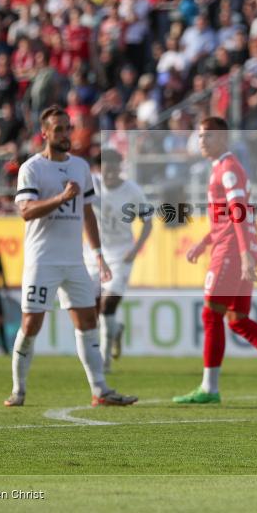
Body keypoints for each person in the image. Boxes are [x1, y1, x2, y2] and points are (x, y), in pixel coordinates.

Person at [5, 105, 136, 408]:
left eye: (68, 128)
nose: (66, 134)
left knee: (88, 321)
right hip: (43, 260)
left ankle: (100, 390)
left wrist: (98, 253)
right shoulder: (32, 168)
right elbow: (26, 211)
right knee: (31, 324)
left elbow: (87, 212)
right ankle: (18, 390)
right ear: (45, 133)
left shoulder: (80, 167)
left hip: (75, 261)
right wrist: (61, 197)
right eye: (59, 129)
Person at [174, 116, 257, 405]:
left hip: (233, 250)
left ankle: (209, 388)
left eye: (208, 136)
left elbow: (239, 210)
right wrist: (203, 243)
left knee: (211, 314)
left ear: (223, 138)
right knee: (237, 320)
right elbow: (226, 216)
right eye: (200, 136)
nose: (201, 141)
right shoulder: (222, 168)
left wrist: (245, 254)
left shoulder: (228, 169)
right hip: (234, 247)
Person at [83, 149, 153, 373]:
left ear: (120, 168)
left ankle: (104, 363)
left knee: (108, 305)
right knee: (91, 308)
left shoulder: (132, 191)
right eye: (106, 168)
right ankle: (115, 331)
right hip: (94, 255)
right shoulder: (90, 185)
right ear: (99, 169)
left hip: (121, 254)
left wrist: (135, 250)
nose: (110, 172)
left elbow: (148, 222)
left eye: (114, 167)